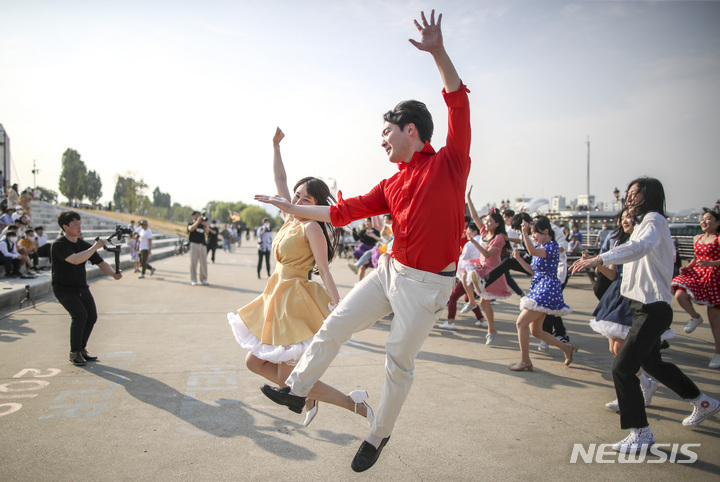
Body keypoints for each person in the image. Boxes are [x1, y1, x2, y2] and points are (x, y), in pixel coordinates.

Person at [256, 10, 470, 472]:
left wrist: (437, 52)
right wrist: (293, 209)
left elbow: (457, 101)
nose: (382, 141)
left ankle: (378, 434)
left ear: (410, 130)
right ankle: (296, 393)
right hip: (389, 268)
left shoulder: (450, 163)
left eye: (386, 132)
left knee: (398, 360)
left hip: (426, 285)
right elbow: (340, 210)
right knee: (335, 325)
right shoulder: (391, 183)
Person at [229, 127, 373, 428]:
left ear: (317, 204)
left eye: (305, 199)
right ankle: (308, 394)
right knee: (254, 362)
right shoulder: (291, 218)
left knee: (287, 379)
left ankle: (352, 404)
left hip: (295, 299)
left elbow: (325, 268)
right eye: (297, 196)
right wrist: (275, 146)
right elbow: (280, 180)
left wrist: (339, 306)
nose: (296, 200)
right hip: (276, 296)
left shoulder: (311, 227)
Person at [570, 177, 720, 454]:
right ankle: (704, 401)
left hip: (653, 308)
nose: (629, 197)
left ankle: (641, 434)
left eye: (634, 193)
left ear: (649, 195)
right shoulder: (641, 224)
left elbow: (640, 247)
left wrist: (600, 258)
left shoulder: (654, 220)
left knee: (622, 368)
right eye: (627, 193)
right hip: (641, 306)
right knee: (653, 364)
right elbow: (631, 257)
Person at [588, 209, 660, 411]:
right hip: (617, 293)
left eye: (630, 217)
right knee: (614, 349)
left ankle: (631, 394)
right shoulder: (619, 243)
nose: (625, 220)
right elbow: (612, 275)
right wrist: (595, 261)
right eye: (623, 218)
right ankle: (646, 385)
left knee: (622, 352)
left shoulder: (642, 244)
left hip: (634, 294)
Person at [51, 211, 122, 366]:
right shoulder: (59, 245)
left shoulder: (82, 244)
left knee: (92, 316)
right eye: (75, 224)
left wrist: (113, 274)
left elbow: (100, 262)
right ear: (65, 227)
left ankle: (81, 349)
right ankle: (74, 352)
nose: (79, 227)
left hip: (81, 287)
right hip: (64, 289)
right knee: (79, 315)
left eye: (80, 223)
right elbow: (75, 260)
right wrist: (95, 246)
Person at [508, 217, 575, 371]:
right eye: (532, 234)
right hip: (539, 287)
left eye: (535, 233)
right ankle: (566, 348)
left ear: (546, 231)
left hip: (546, 289)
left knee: (521, 323)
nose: (534, 237)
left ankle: (525, 361)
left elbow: (531, 250)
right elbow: (533, 270)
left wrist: (524, 232)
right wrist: (518, 259)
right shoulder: (542, 246)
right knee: (536, 331)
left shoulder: (552, 246)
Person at [671, 207, 720, 368]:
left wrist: (711, 263)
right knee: (679, 294)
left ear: (717, 222)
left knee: (715, 322)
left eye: (708, 219)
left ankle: (717, 354)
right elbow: (696, 258)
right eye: (703, 218)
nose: (704, 221)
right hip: (698, 275)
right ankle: (695, 317)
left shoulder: (718, 238)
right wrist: (688, 267)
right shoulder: (697, 237)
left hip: (715, 278)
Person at [438, 222, 486, 330]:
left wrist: (456, 274)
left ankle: (451, 322)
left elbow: (462, 260)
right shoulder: (483, 242)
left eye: (468, 230)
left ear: (474, 231)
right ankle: (481, 319)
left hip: (468, 275)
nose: (467, 232)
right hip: (479, 275)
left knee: (453, 298)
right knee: (468, 298)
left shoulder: (470, 244)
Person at [188, 211, 209, 286]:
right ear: (193, 216)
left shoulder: (202, 225)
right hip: (194, 244)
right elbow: (191, 229)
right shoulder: (191, 223)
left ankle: (203, 279)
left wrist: (205, 225)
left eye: (199, 215)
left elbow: (207, 232)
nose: (198, 217)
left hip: (202, 245)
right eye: (196, 215)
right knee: (193, 262)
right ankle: (193, 279)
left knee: (203, 263)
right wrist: (197, 222)